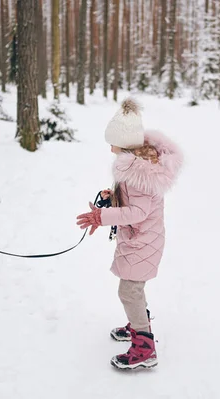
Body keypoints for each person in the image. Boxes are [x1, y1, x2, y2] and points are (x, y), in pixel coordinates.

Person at [76, 98, 183, 369]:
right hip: (142, 239)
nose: (108, 146)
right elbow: (134, 201)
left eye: (110, 141)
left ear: (123, 144)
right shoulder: (138, 165)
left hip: (142, 241)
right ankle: (138, 323)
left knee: (129, 291)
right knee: (133, 288)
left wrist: (102, 217)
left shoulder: (136, 170)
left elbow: (137, 212)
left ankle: (144, 348)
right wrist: (112, 198)